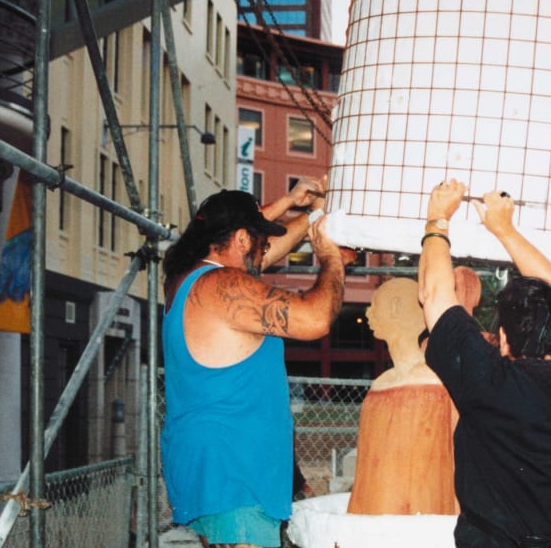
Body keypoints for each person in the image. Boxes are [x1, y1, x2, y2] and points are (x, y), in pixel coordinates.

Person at [418, 181, 551, 548]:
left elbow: (433, 294)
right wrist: (504, 229)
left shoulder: (488, 378)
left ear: (503, 337)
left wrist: (438, 219)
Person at [161, 180, 345, 548]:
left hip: (219, 468)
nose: (265, 252)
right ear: (242, 240)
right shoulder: (222, 285)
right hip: (235, 473)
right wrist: (330, 258)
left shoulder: (189, 280)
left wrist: (309, 213)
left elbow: (260, 248)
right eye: (259, 241)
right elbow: (316, 318)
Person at [347, 277, 458, 515]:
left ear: (396, 308)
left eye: (375, 305)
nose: (368, 313)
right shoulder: (381, 384)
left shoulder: (432, 383)